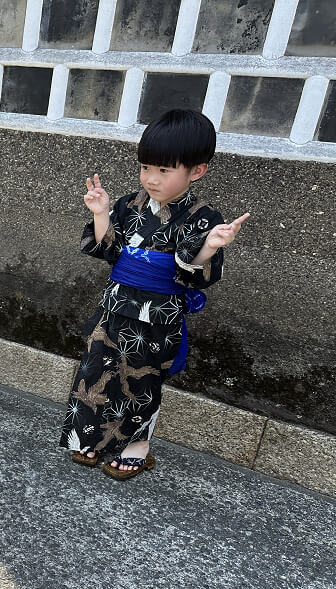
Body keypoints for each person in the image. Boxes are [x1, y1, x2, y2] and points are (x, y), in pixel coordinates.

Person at [59, 109, 249, 480]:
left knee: (144, 381)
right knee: (97, 370)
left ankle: (138, 446)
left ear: (196, 171)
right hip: (115, 306)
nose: (151, 178)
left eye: (164, 170)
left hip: (158, 316)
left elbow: (192, 273)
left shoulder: (203, 216)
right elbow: (109, 251)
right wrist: (100, 213)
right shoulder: (129, 205)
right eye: (146, 168)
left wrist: (209, 246)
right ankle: (94, 439)